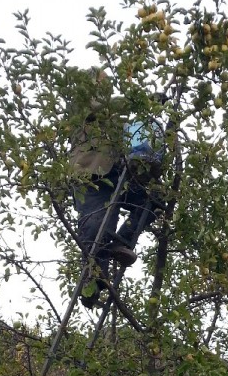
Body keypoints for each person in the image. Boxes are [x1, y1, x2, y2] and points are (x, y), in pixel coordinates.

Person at [68, 70, 159, 306]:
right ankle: (91, 286)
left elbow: (133, 130)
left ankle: (122, 242)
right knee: (96, 228)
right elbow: (102, 106)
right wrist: (143, 100)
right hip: (90, 175)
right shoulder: (82, 102)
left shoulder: (115, 116)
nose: (106, 86)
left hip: (116, 175)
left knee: (151, 199)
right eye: (101, 82)